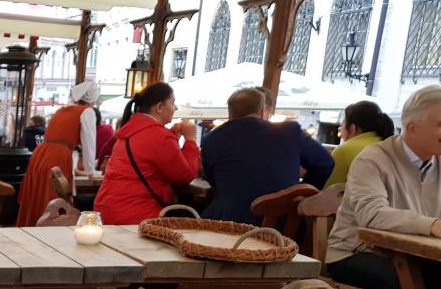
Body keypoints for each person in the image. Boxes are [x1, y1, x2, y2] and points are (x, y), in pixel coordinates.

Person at [325, 84, 441, 289]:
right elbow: (371, 216)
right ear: (412, 128)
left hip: (410, 254)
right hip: (352, 250)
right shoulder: (374, 158)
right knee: (405, 281)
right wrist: (432, 225)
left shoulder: (437, 163)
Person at [201, 88, 334, 224]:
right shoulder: (290, 131)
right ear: (263, 111)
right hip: (283, 227)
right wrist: (298, 193)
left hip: (227, 224)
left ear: (229, 113)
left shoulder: (211, 139)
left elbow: (212, 180)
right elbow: (325, 163)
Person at [94, 82, 200, 225]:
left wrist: (172, 135)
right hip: (136, 215)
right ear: (159, 107)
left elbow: (150, 153)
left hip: (107, 210)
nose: (175, 108)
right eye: (173, 102)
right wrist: (191, 141)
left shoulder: (131, 130)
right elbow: (184, 175)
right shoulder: (159, 136)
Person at [16, 81, 99, 226]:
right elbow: (89, 144)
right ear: (91, 100)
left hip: (41, 154)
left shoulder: (62, 110)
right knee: (52, 201)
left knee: (37, 197)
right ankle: (48, 237)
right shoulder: (87, 112)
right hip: (58, 156)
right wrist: (90, 171)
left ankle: (30, 230)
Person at [326, 101, 396, 186]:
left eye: (343, 124)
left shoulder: (345, 150)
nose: (341, 129)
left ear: (353, 128)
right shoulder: (390, 146)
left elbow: (328, 190)